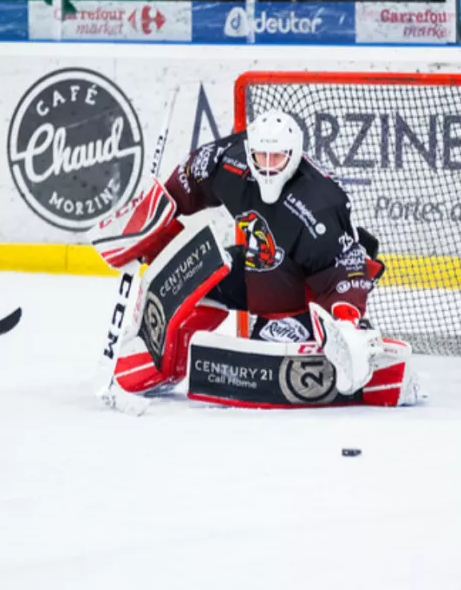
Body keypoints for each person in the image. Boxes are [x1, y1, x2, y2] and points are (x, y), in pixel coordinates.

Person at [90, 110, 419, 408]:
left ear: (294, 156)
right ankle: (165, 357)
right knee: (192, 266)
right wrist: (149, 219)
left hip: (302, 292)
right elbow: (190, 176)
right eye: (260, 154)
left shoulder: (318, 204)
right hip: (257, 269)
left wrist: (346, 320)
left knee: (272, 345)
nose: (267, 164)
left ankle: (358, 351)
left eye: (277, 157)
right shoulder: (229, 164)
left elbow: (346, 269)